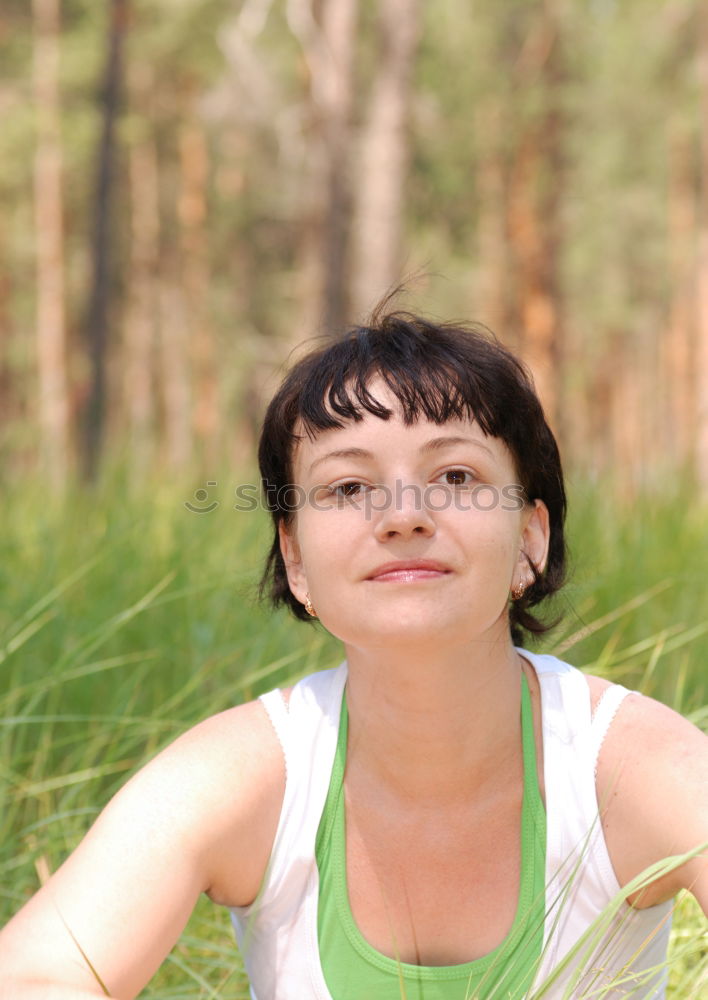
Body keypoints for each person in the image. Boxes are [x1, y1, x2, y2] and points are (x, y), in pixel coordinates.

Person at [0, 310, 706, 1000]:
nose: (403, 515)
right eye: (349, 488)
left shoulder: (632, 767)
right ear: (296, 558)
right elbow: (35, 976)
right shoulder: (246, 776)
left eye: (456, 477)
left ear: (530, 538)